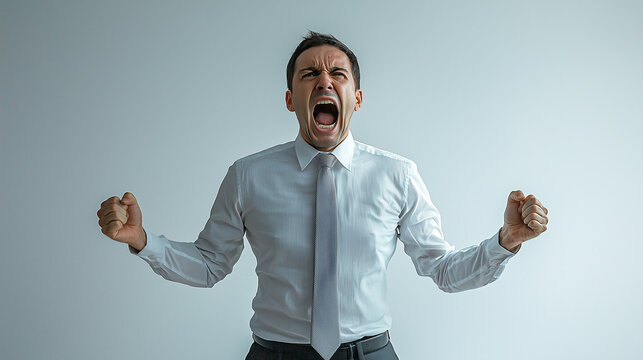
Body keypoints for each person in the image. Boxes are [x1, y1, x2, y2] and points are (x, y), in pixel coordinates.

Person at [97, 32, 549, 360]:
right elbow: (211, 264)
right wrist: (143, 241)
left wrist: (505, 240)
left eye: (338, 73)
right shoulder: (247, 175)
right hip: (275, 355)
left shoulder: (397, 174)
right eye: (309, 73)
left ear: (357, 97)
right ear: (292, 98)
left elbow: (443, 270)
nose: (325, 81)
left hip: (371, 355)